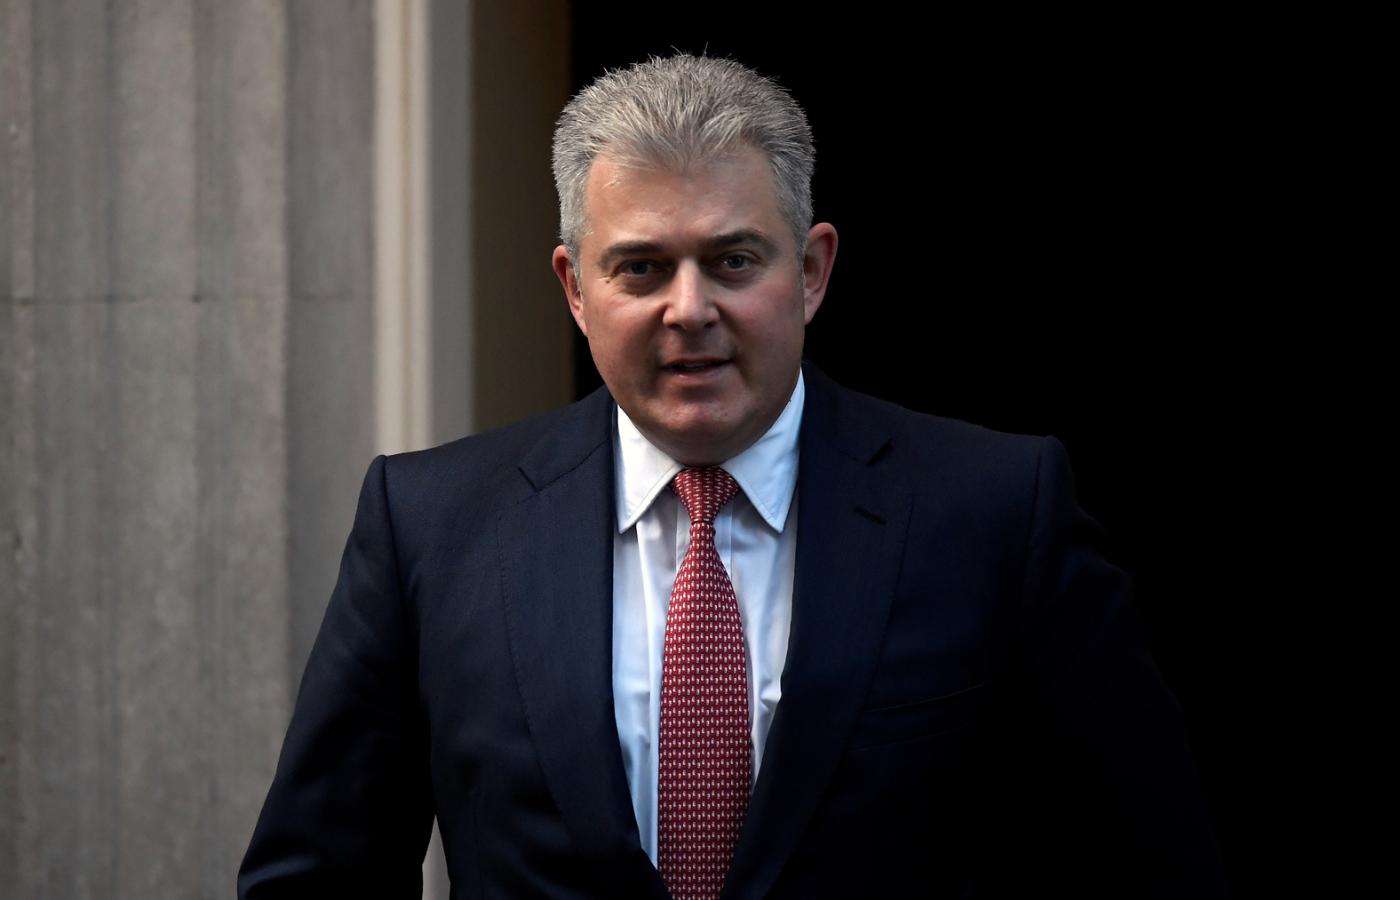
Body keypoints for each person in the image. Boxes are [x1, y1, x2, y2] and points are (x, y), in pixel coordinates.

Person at [239, 54, 1225, 899]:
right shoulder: (431, 524)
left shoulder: (997, 513)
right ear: (574, 288)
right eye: (639, 268)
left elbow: (1150, 864)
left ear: (811, 271)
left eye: (733, 260)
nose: (689, 308)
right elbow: (316, 875)